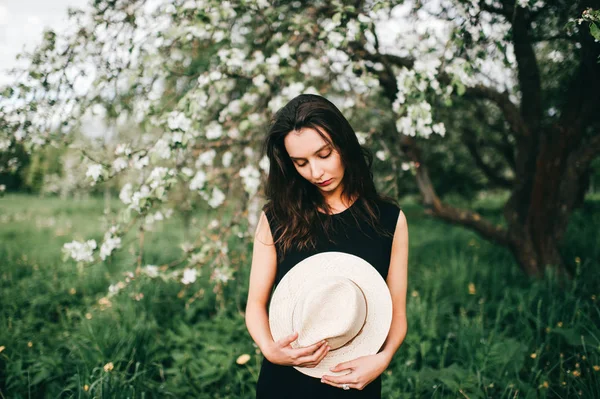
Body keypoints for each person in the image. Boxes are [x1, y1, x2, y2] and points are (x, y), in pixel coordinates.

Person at [245, 94, 409, 398]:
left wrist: (382, 360)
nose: (316, 172)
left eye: (324, 154)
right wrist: (270, 350)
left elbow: (397, 313)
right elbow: (255, 303)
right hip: (285, 380)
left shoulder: (389, 220)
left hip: (355, 379)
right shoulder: (277, 219)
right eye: (301, 163)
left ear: (344, 144)